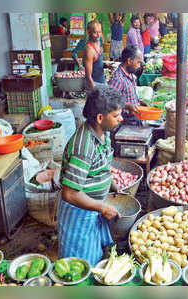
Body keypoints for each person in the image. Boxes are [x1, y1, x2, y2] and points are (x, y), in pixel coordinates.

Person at [57, 86, 124, 265]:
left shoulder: (103, 133)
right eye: (116, 116)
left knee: (94, 253)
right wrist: (102, 208)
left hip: (92, 208)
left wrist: (110, 182)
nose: (121, 119)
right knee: (78, 263)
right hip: (78, 214)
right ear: (100, 118)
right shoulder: (84, 147)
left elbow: (100, 165)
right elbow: (70, 193)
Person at [108, 45, 145, 126]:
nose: (139, 66)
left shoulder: (130, 75)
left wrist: (139, 102)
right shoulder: (118, 79)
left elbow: (128, 96)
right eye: (138, 62)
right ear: (129, 61)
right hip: (125, 121)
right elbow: (109, 101)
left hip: (133, 118)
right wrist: (127, 106)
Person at [84, 21, 106, 90]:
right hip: (94, 85)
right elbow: (88, 77)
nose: (98, 35)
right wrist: (95, 91)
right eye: (95, 32)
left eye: (100, 32)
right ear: (89, 32)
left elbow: (96, 64)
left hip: (102, 82)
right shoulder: (89, 50)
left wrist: (105, 65)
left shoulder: (98, 42)